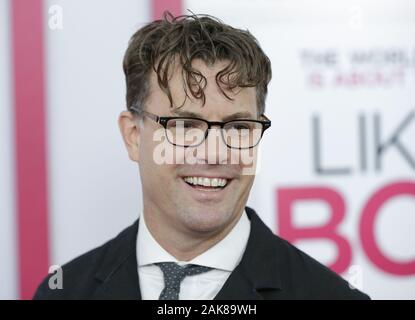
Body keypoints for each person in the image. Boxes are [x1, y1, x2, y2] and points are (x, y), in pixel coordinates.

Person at [34, 12, 369, 300]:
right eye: (184, 126)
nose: (214, 152)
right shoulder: (64, 291)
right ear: (133, 136)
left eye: (238, 127)